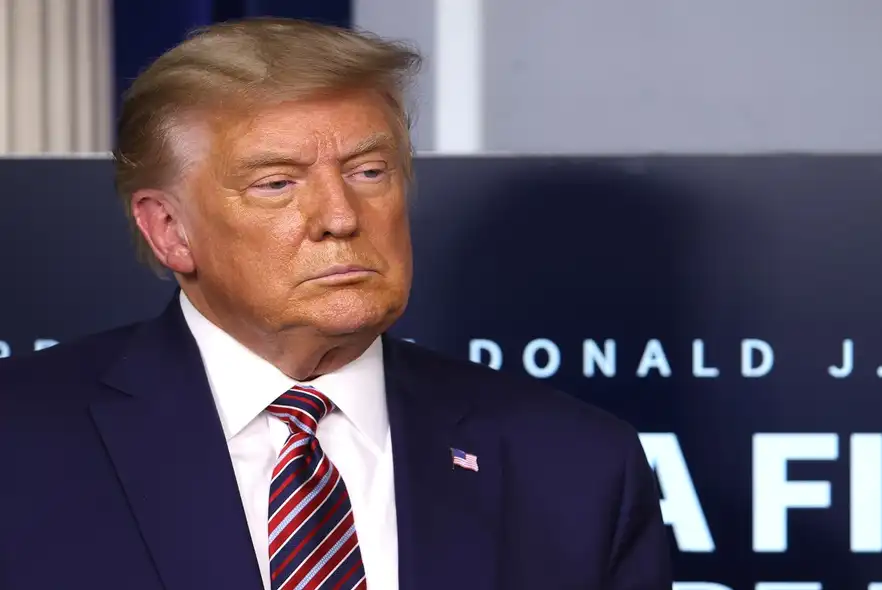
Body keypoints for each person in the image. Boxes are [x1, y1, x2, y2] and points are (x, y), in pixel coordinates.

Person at [0, 17, 671, 590]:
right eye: (276, 183)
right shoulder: (20, 440)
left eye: (368, 172)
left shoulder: (574, 465)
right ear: (170, 230)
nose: (341, 216)